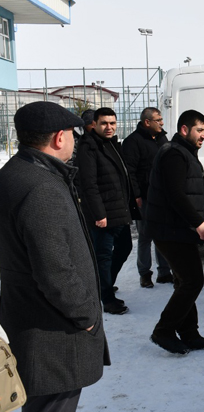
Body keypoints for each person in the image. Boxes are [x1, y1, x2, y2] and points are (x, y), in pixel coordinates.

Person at [0, 101, 110, 412]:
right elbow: (55, 272)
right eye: (73, 135)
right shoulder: (42, 187)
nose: (75, 141)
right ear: (59, 138)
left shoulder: (14, 172)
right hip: (53, 336)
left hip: (29, 320)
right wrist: (87, 316)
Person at [146, 110, 204, 354]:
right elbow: (175, 194)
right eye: (199, 130)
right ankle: (163, 330)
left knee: (185, 281)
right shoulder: (174, 154)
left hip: (177, 228)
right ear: (184, 130)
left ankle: (189, 333)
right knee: (192, 280)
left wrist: (202, 219)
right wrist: (198, 223)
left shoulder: (184, 153)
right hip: (170, 229)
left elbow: (191, 193)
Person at [75, 107, 134, 315]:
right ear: (95, 125)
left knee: (125, 247)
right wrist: (99, 214)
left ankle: (104, 284)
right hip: (104, 215)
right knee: (103, 255)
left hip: (120, 210)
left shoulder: (112, 144)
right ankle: (106, 298)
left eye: (112, 123)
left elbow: (123, 176)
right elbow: (89, 185)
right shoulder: (88, 148)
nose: (109, 127)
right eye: (104, 123)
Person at [123, 107, 173, 289]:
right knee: (145, 236)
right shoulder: (132, 142)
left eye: (161, 119)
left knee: (163, 234)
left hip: (163, 197)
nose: (162, 122)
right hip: (144, 197)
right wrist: (136, 195)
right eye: (158, 119)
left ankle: (165, 272)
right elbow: (130, 172)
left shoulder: (162, 139)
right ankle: (145, 274)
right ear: (147, 122)